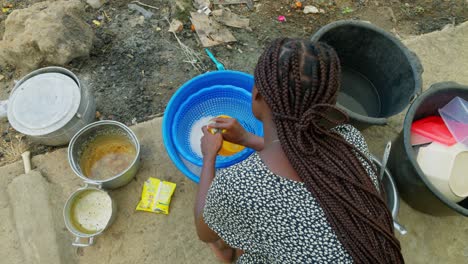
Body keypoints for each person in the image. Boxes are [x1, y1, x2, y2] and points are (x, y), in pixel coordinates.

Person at [193, 38, 403, 263]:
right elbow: (299, 154)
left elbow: (204, 231)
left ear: (256, 95)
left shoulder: (239, 185)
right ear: (329, 101)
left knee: (225, 237)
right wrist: (246, 138)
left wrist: (209, 157)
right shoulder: (349, 141)